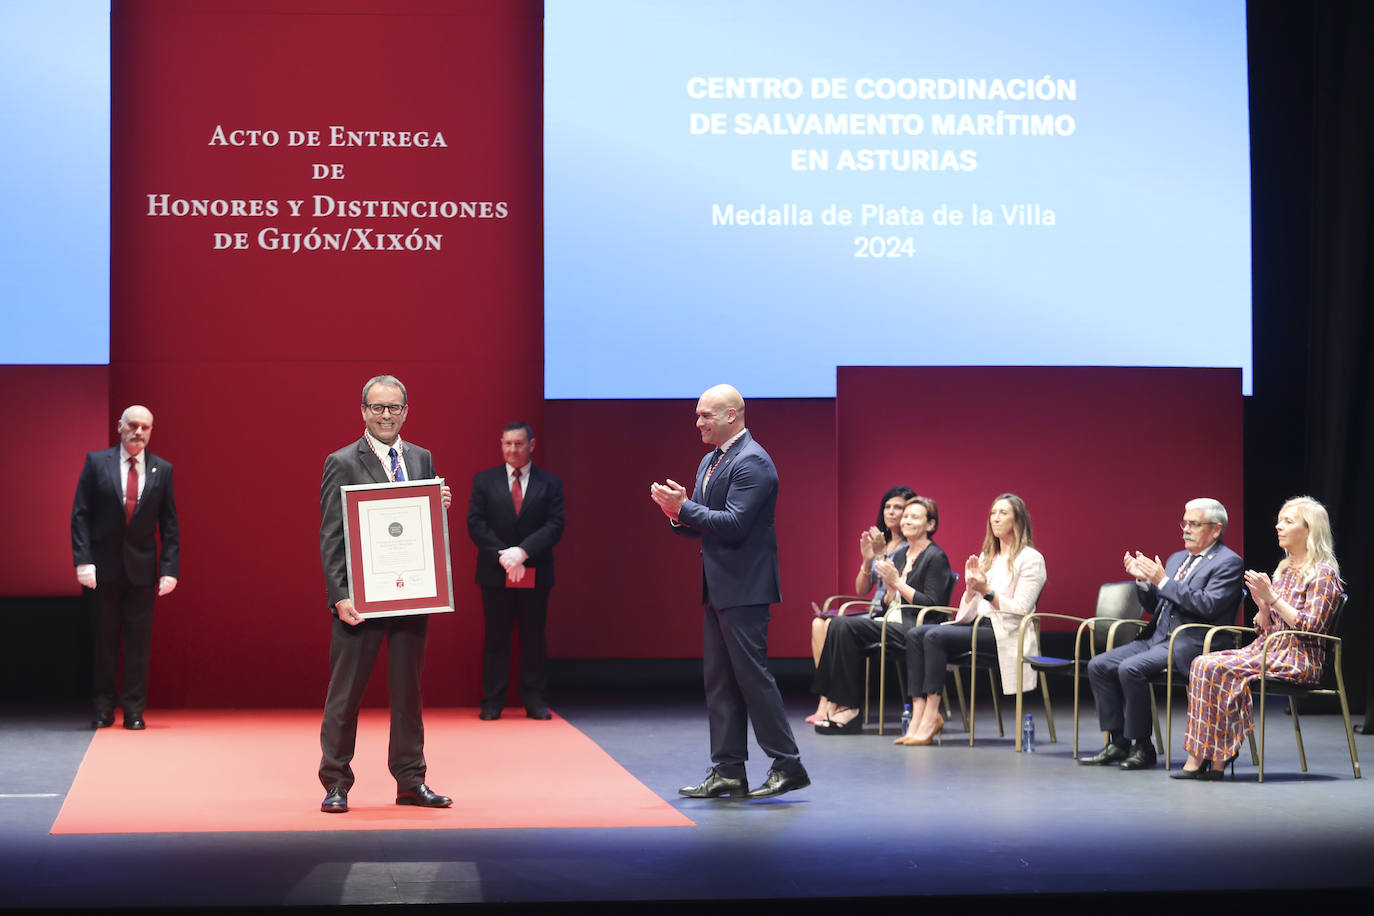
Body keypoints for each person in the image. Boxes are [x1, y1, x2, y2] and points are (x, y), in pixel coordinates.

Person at [650, 384, 810, 799]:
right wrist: (677, 514)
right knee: (720, 680)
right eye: (698, 415)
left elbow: (734, 523)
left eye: (706, 415)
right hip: (719, 586)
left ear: (732, 416)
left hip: (745, 588)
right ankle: (728, 770)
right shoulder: (711, 460)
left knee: (752, 679)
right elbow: (707, 522)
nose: (698, 422)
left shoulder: (753, 462)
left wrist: (684, 508)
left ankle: (788, 765)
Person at [317, 375, 453, 814]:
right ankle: (335, 783)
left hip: (411, 597)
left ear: (406, 411)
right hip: (360, 602)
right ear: (363, 411)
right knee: (345, 697)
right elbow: (331, 536)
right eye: (377, 407)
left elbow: (421, 528)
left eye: (394, 407)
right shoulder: (341, 461)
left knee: (408, 696)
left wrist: (438, 503)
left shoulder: (421, 457)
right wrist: (339, 596)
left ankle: (411, 781)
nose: (386, 415)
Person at [1173, 496, 1343, 780]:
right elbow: (1268, 629)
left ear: (1309, 530)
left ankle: (1214, 755)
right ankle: (1210, 755)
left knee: (1216, 668)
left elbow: (1311, 628)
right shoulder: (1285, 571)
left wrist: (1272, 598)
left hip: (1299, 659)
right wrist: (1263, 608)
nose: (1279, 526)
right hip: (1268, 649)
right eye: (1280, 520)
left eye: (1288, 521)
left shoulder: (1323, 575)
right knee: (1202, 663)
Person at [1079, 498, 1243, 770]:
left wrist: (1163, 581)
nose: (1186, 530)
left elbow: (1209, 606)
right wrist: (1145, 583)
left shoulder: (1229, 562)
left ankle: (1142, 747)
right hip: (1157, 638)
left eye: (1194, 524)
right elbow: (1156, 606)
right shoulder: (1178, 558)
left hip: (1190, 643)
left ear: (1216, 529)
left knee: (1131, 669)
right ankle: (1118, 743)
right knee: (1099, 666)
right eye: (1185, 523)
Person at [895, 493, 1046, 746]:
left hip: (1006, 632)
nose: (996, 518)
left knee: (933, 635)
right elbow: (967, 611)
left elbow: (1019, 610)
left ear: (1018, 519)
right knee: (915, 634)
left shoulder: (1031, 559)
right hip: (978, 626)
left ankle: (931, 716)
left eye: (1003, 513)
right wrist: (971, 589)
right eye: (993, 513)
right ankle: (918, 713)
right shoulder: (987, 557)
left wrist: (987, 590)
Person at [70, 405, 179, 730]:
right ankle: (104, 708)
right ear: (120, 426)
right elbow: (80, 515)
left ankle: (133, 710)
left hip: (143, 572)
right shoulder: (96, 462)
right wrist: (83, 560)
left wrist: (169, 568)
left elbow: (169, 524)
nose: (139, 432)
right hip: (102, 569)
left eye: (145, 427)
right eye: (133, 425)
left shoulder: (163, 469)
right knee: (104, 642)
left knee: (138, 644)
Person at [811, 496, 954, 733]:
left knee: (845, 626)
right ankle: (838, 704)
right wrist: (890, 591)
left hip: (916, 627)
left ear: (930, 525)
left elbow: (932, 605)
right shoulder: (900, 555)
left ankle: (849, 709)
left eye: (914, 517)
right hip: (893, 620)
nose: (907, 521)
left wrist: (897, 583)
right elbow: (888, 604)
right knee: (838, 624)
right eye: (905, 516)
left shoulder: (935, 557)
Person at [467, 421, 566, 720]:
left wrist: (523, 552)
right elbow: (475, 522)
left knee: (533, 636)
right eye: (508, 444)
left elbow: (555, 524)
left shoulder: (550, 483)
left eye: (519, 444)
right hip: (495, 572)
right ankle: (492, 701)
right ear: (501, 444)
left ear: (531, 445)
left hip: (535, 570)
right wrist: (504, 555)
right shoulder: (484, 481)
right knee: (496, 637)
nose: (513, 449)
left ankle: (534, 699)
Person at [806, 485, 916, 724]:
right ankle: (826, 699)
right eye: (888, 507)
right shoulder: (881, 543)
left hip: (889, 613)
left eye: (899, 507)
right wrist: (867, 561)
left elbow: (892, 587)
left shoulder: (911, 547)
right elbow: (861, 589)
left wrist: (878, 555)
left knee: (833, 626)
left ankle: (834, 701)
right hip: (872, 610)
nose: (892, 512)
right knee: (818, 624)